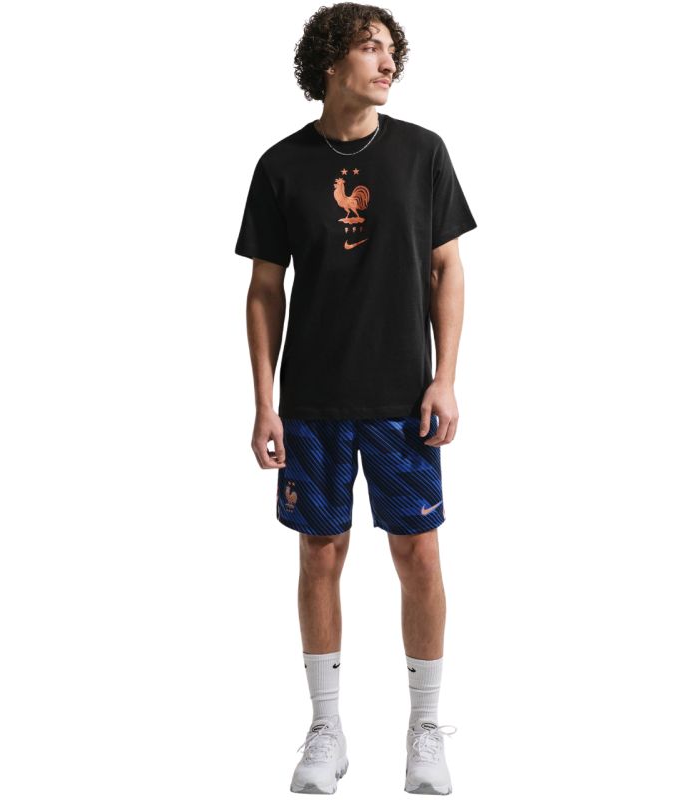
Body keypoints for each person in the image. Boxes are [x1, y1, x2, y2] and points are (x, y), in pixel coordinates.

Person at [235, 3, 477, 794]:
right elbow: (264, 289)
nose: (387, 61)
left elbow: (447, 268)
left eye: (390, 49)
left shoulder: (422, 152)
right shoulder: (281, 166)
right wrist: (265, 401)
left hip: (405, 397)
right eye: (370, 48)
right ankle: (326, 728)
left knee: (419, 552)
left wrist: (445, 376)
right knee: (320, 552)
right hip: (313, 399)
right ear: (331, 62)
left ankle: (425, 727)